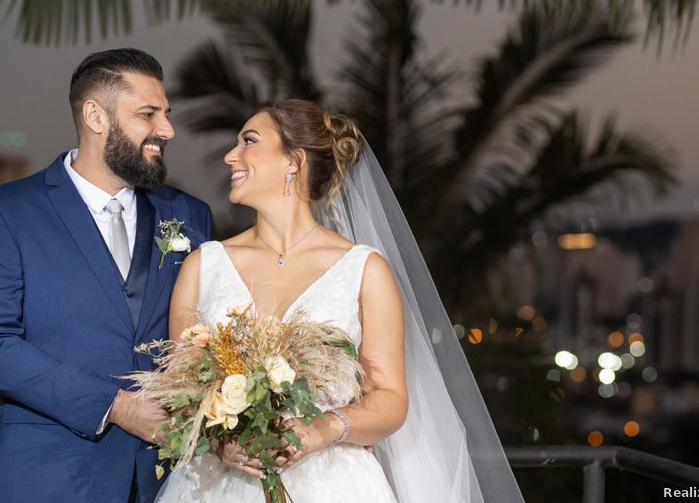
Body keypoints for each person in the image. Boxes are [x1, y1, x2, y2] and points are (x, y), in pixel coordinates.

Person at [158, 99, 524, 502]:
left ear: (293, 161)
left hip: (332, 484)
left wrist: (324, 428)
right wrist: (219, 441)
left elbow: (389, 398)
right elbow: (182, 395)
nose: (231, 155)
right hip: (218, 486)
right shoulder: (202, 266)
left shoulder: (364, 270)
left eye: (248, 141)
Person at [0, 48, 212, 503]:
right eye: (148, 114)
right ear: (96, 116)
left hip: (169, 480)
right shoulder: (9, 211)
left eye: (166, 114)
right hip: (47, 478)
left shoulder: (189, 215)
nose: (167, 130)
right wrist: (116, 406)